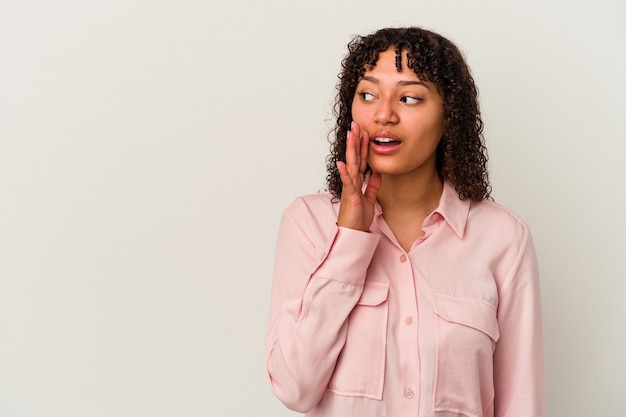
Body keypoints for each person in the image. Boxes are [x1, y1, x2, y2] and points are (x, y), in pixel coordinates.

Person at [265, 27, 546, 417]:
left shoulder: (503, 238)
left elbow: (522, 402)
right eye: (367, 95)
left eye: (410, 98)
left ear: (450, 116)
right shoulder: (308, 223)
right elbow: (294, 388)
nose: (384, 114)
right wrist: (349, 238)